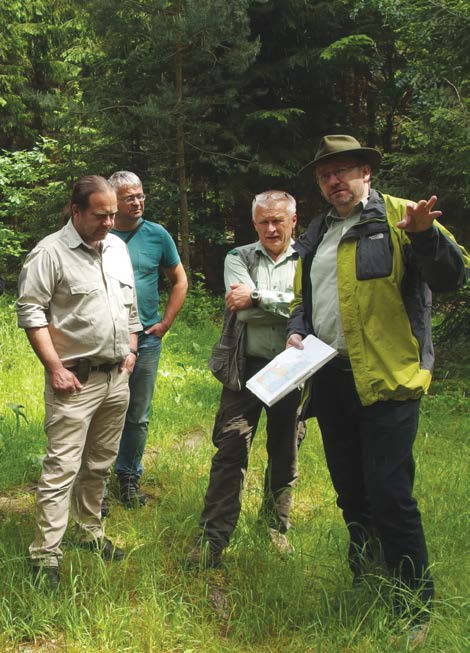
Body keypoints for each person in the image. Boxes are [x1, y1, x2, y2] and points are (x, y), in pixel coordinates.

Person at [287, 135, 469, 644]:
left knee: (391, 494)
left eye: (344, 170)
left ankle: (415, 605)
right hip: (331, 378)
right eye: (326, 174)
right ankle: (368, 579)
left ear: (367, 173)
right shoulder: (318, 232)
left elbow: (452, 277)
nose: (334, 181)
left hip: (390, 379)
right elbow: (306, 297)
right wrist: (298, 327)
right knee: (351, 492)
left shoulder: (403, 216)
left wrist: (426, 237)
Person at [17, 175, 142, 589]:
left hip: (116, 378)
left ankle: (89, 532)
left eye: (112, 214)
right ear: (75, 210)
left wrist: (132, 350)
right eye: (100, 215)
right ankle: (45, 556)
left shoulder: (119, 249)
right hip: (74, 382)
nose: (109, 222)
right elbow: (31, 313)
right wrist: (54, 368)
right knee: (61, 468)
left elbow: (130, 309)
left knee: (100, 463)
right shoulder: (49, 253)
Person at [189, 190, 304, 568]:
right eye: (263, 222)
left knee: (285, 451)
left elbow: (310, 308)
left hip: (293, 369)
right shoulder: (238, 257)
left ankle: (273, 529)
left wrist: (256, 296)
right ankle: (212, 540)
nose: (271, 228)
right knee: (231, 448)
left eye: (278, 221)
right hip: (246, 368)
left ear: (293, 221)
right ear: (254, 224)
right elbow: (242, 312)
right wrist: (277, 304)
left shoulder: (308, 258)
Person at [106, 171, 188, 509]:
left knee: (137, 413)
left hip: (147, 339)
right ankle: (94, 485)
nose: (138, 202)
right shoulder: (100, 232)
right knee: (102, 412)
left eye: (140, 195)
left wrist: (165, 322)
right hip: (105, 340)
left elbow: (179, 281)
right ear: (113, 200)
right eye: (129, 197)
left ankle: (128, 478)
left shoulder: (157, 235)